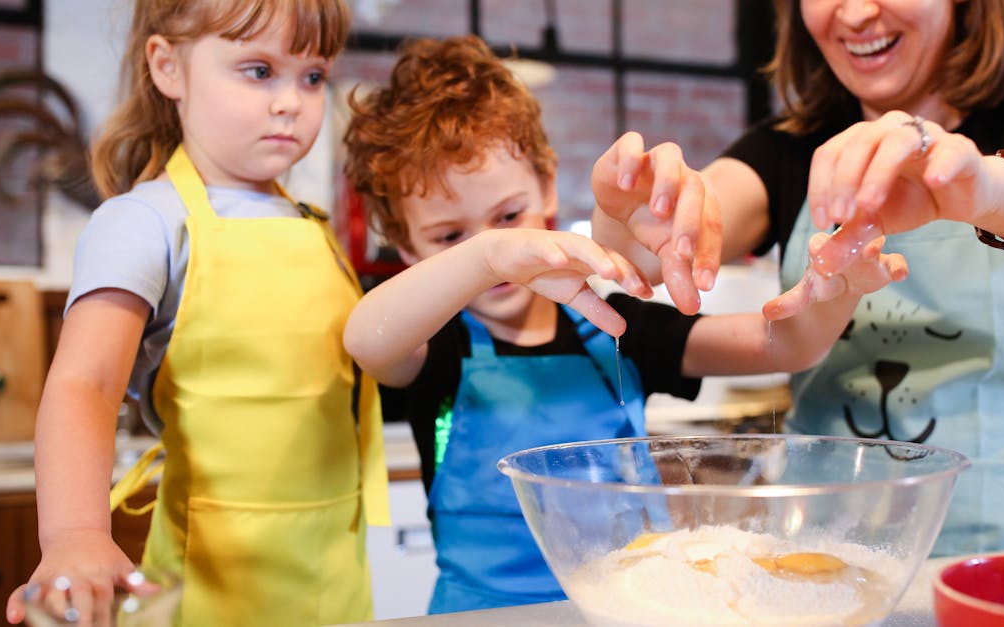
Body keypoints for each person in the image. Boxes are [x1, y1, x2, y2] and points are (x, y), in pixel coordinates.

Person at [591, 0, 1004, 557]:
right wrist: (634, 222)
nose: (853, 12)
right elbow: (659, 249)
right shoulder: (785, 151)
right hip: (822, 564)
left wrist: (995, 190)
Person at [341, 35, 907, 614]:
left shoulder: (615, 327)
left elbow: (784, 344)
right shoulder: (436, 346)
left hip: (627, 608)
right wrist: (485, 255)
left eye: (508, 218)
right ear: (407, 248)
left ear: (546, 185)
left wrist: (838, 292)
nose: (499, 248)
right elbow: (367, 339)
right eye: (448, 237)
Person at [5, 1, 392, 625]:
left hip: (336, 571)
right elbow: (86, 384)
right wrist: (75, 533)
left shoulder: (312, 224)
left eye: (313, 76)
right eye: (259, 70)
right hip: (210, 579)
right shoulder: (145, 221)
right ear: (169, 68)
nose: (290, 101)